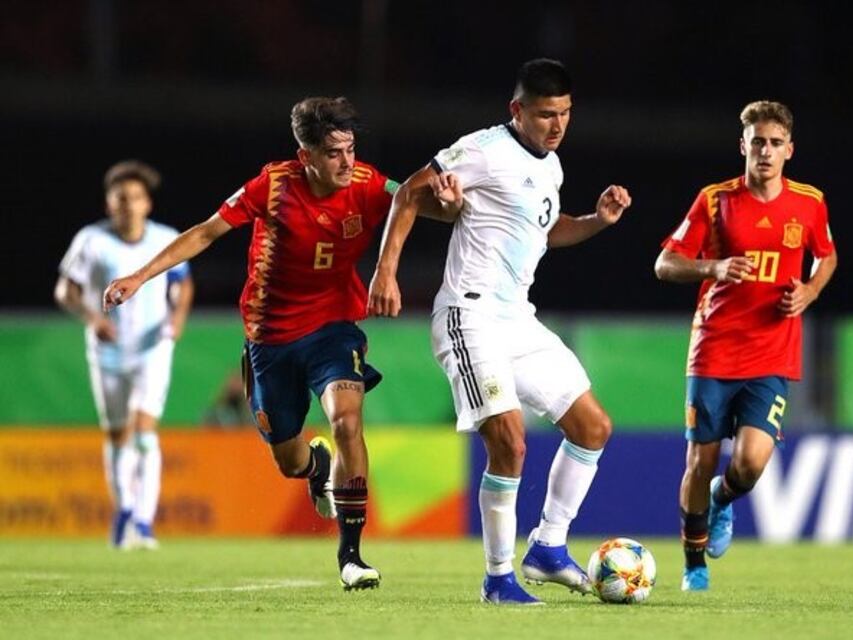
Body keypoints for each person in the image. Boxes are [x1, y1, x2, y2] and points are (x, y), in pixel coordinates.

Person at [103, 97, 454, 589]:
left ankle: (351, 556)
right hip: (270, 339)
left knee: (347, 421)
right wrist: (140, 277)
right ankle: (317, 467)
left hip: (333, 328)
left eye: (351, 149)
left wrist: (452, 201)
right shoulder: (272, 185)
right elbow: (206, 233)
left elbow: (414, 199)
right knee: (289, 460)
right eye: (334, 153)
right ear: (305, 155)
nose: (347, 162)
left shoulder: (368, 183)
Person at [368, 58, 632, 605]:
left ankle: (549, 548)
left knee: (593, 427)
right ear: (517, 111)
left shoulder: (551, 166)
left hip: (517, 320)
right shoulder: (484, 150)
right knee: (509, 442)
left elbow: (547, 230)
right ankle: (497, 578)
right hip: (469, 317)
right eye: (543, 115)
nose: (555, 126)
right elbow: (410, 192)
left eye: (563, 114)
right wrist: (385, 272)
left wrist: (596, 222)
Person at [655, 100, 838, 591]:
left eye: (776, 143)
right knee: (701, 460)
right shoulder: (714, 200)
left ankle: (722, 500)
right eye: (758, 141)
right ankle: (694, 562)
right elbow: (665, 264)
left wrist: (811, 290)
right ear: (743, 145)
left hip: (773, 350)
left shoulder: (810, 202)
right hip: (714, 348)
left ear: (789, 150)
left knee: (751, 463)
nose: (766, 151)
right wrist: (712, 267)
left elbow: (826, 255)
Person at [55, 160, 195, 550]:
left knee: (145, 429)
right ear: (108, 205)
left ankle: (144, 522)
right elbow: (65, 290)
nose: (127, 205)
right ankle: (124, 511)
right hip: (109, 349)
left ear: (147, 203)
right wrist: (92, 318)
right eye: (120, 198)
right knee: (118, 433)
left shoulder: (165, 239)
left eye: (135, 197)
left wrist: (177, 320)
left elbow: (182, 286)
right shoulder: (92, 240)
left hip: (153, 347)